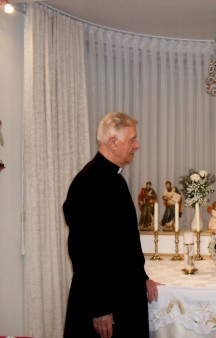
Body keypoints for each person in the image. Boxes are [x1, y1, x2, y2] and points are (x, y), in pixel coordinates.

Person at [62, 112, 159, 338]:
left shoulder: (113, 177)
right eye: (132, 139)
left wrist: (141, 275)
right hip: (105, 303)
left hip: (122, 293)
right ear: (112, 142)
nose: (137, 145)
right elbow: (83, 249)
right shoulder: (89, 182)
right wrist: (99, 307)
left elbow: (124, 240)